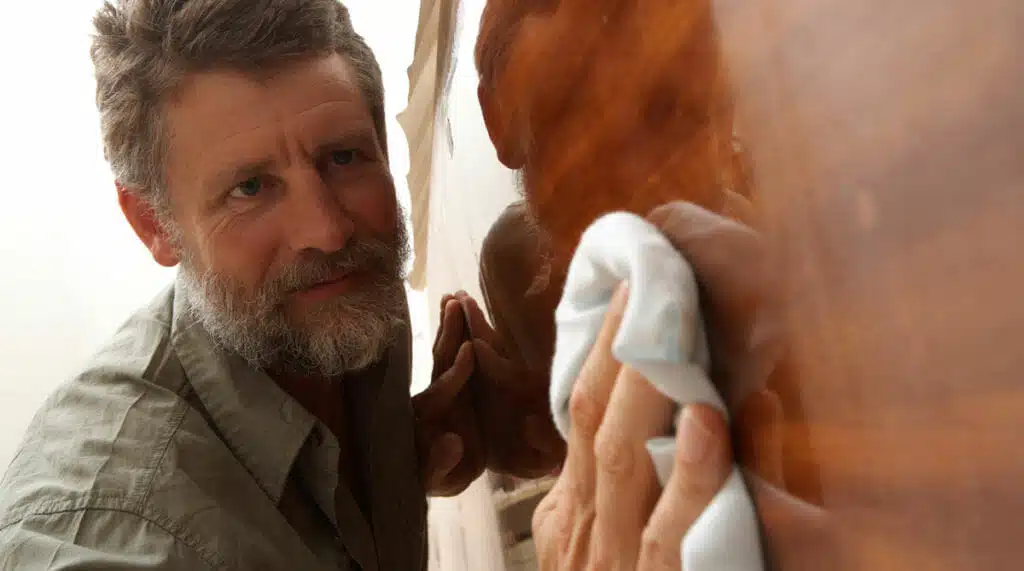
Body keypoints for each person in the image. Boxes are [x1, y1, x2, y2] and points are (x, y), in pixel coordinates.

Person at [0, 1, 736, 570]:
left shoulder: (343, 314)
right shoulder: (108, 530)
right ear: (153, 225)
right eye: (250, 188)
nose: (327, 229)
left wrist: (408, 461)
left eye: (345, 156)